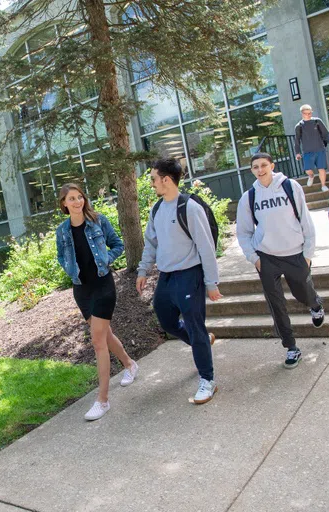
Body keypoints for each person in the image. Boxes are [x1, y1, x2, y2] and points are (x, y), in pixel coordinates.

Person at [136, 159, 222, 405]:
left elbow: (206, 247)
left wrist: (211, 283)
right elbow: (151, 243)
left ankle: (208, 380)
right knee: (167, 321)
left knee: (195, 327)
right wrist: (143, 271)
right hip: (166, 276)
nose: (151, 183)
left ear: (166, 179)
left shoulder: (189, 208)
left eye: (153, 178)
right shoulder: (156, 209)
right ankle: (203, 341)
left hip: (189, 274)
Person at [56, 183, 137, 421]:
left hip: (103, 286)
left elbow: (118, 245)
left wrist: (105, 260)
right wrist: (70, 270)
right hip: (81, 290)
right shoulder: (62, 231)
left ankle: (103, 400)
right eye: (72, 198)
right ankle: (130, 365)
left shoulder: (98, 221)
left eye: (80, 197)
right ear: (64, 204)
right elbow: (62, 255)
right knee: (106, 336)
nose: (77, 202)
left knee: (97, 341)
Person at [236, 152, 324, 370]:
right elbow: (243, 232)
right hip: (266, 258)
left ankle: (315, 304)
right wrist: (254, 258)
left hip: (294, 253)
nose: (260, 170)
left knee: (302, 292)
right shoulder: (249, 197)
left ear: (272, 166)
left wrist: (308, 253)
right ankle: (291, 347)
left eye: (263, 165)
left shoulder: (290, 186)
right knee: (276, 304)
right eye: (255, 167)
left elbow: (305, 219)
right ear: (251, 170)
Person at [294, 104, 329, 192]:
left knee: (321, 168)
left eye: (310, 113)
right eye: (307, 113)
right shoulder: (299, 126)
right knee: (307, 169)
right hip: (307, 151)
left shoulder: (317, 121)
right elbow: (297, 141)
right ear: (302, 113)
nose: (309, 115)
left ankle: (323, 185)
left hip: (320, 149)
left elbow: (326, 134)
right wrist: (297, 153)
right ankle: (311, 176)